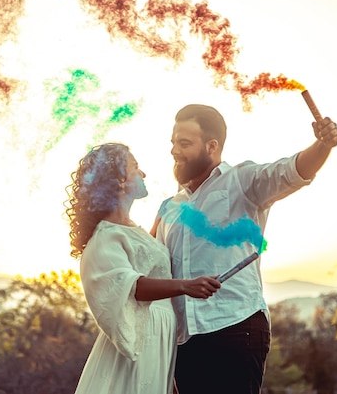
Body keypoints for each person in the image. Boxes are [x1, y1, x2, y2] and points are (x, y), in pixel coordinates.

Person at [151, 104, 337, 394]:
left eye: (184, 143)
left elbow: (293, 170)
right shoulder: (169, 208)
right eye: (174, 142)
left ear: (211, 146)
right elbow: (151, 265)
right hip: (185, 341)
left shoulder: (242, 181)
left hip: (236, 329)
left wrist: (322, 145)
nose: (174, 150)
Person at [65, 143, 221, 394]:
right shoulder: (105, 237)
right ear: (119, 181)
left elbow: (148, 261)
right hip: (137, 348)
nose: (143, 174)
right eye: (135, 167)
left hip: (159, 341)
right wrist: (186, 286)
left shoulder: (134, 231)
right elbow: (130, 286)